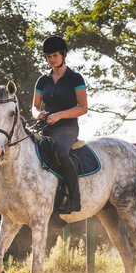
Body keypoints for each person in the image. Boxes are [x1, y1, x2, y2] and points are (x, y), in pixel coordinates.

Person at [32, 36, 88, 214]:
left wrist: (59, 115)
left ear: (63, 54)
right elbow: (34, 106)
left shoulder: (75, 78)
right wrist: (37, 114)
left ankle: (74, 198)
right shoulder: (42, 80)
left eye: (54, 55)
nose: (51, 59)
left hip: (67, 127)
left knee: (61, 152)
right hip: (45, 126)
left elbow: (83, 108)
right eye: (48, 56)